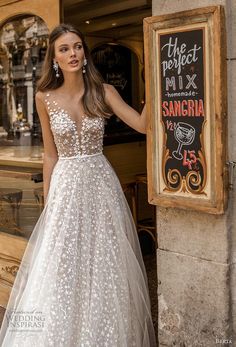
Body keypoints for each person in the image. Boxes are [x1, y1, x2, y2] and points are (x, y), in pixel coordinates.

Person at [0, 23, 156, 347]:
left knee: (104, 263)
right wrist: (49, 203)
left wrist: (156, 80)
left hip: (101, 186)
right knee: (65, 265)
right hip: (66, 189)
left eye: (77, 47)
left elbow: (142, 125)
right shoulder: (44, 98)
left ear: (84, 53)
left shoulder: (104, 91)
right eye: (64, 49)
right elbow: (49, 155)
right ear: (54, 58)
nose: (73, 53)